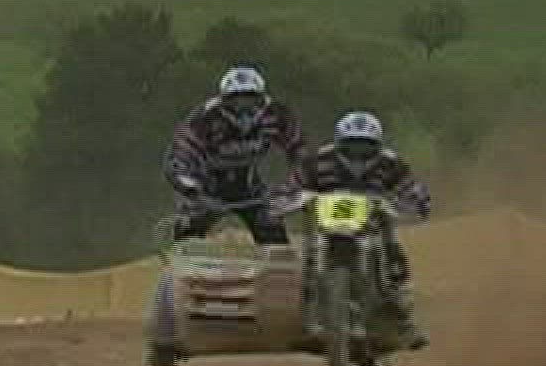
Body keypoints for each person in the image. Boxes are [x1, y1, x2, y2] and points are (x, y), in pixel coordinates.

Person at [301, 110, 431, 348]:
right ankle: (305, 311)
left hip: (373, 222)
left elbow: (412, 187)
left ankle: (402, 317)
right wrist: (289, 199)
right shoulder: (319, 161)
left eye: (365, 146)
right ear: (339, 143)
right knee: (306, 256)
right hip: (328, 223)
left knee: (394, 254)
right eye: (351, 146)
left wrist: (416, 201)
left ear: (377, 145)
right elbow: (293, 184)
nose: (358, 153)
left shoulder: (391, 163)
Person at [164, 64, 306, 245]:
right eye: (236, 101)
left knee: (271, 227)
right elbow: (179, 158)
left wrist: (297, 186)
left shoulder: (276, 115)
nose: (244, 109)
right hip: (207, 187)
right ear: (224, 101)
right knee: (188, 232)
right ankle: (179, 257)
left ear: (261, 98)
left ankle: (278, 259)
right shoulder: (206, 118)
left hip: (249, 187)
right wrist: (193, 190)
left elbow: (298, 149)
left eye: (250, 100)